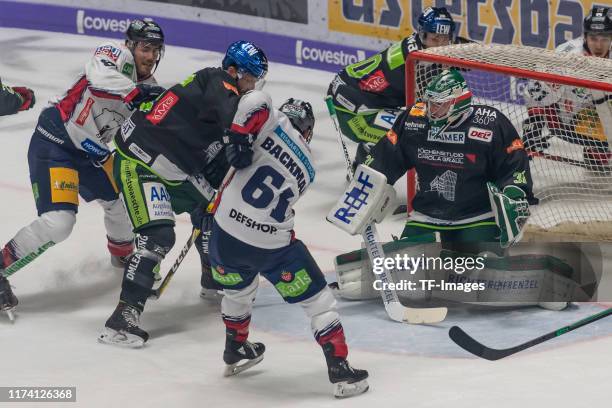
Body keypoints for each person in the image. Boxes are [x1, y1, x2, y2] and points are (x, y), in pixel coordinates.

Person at [331, 69, 575, 310]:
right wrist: (366, 183)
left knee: (474, 278)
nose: (430, 110)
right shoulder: (414, 119)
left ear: (459, 104)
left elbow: (514, 164)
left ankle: (544, 276)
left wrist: (513, 193)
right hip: (428, 215)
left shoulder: (490, 123)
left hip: (477, 217)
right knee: (411, 280)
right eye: (429, 103)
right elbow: (387, 157)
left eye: (439, 105)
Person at [98, 40, 269, 348]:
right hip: (141, 160)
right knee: (159, 236)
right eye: (250, 78)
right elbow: (235, 125)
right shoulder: (217, 81)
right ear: (233, 70)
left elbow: (221, 158)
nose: (253, 85)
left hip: (178, 168)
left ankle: (212, 281)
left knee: (217, 212)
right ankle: (124, 315)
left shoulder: (223, 98)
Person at [0, 19, 166, 320]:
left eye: (156, 50)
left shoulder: (151, 90)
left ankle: (123, 257)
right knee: (59, 222)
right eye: (145, 48)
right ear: (130, 45)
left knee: (122, 204)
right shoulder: (112, 55)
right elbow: (98, 76)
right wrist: (135, 95)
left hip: (95, 154)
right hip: (57, 143)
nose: (151, 56)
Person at [208, 95, 369, 398]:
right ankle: (340, 369)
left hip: (224, 235)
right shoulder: (308, 168)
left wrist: (239, 138)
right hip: (270, 246)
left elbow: (255, 99)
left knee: (236, 290)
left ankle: (235, 346)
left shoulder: (271, 123)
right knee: (320, 303)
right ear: (308, 131)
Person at [327, 6, 470, 169]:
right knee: (414, 133)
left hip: (359, 96)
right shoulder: (416, 63)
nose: (441, 45)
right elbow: (426, 114)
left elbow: (468, 52)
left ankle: (365, 156)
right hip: (351, 110)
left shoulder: (423, 47)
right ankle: (365, 170)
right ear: (422, 35)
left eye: (445, 39)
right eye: (435, 39)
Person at [522, 6, 612, 169]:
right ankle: (599, 147)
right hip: (571, 117)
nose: (599, 46)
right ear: (585, 36)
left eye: (604, 39)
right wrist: (534, 123)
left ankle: (598, 152)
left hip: (601, 107)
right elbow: (534, 90)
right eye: (594, 38)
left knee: (599, 160)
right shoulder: (566, 57)